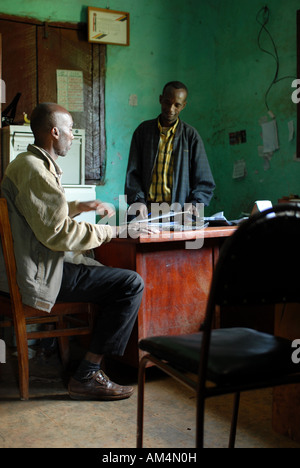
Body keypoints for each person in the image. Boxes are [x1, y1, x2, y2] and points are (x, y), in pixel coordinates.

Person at [0, 102, 148, 401]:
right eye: (69, 130)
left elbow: (39, 215)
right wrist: (115, 231)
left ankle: (82, 363)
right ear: (54, 132)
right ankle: (87, 374)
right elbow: (58, 233)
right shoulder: (35, 170)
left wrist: (79, 207)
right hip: (36, 274)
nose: (72, 137)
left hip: (27, 267)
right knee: (130, 284)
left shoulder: (27, 164)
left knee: (105, 274)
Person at [125, 81, 215, 219]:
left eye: (177, 105)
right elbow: (133, 174)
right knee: (135, 236)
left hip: (180, 212)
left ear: (183, 106)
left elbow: (204, 181)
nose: (171, 109)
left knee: (183, 240)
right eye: (167, 102)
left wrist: (195, 203)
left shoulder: (191, 136)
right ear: (161, 99)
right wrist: (138, 201)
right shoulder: (143, 132)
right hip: (147, 210)